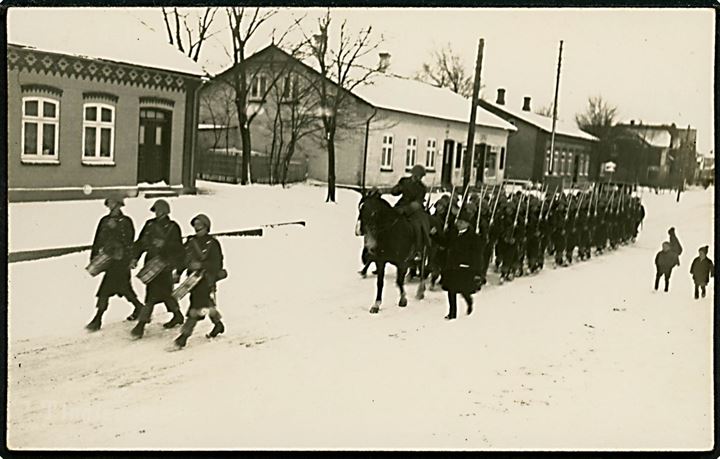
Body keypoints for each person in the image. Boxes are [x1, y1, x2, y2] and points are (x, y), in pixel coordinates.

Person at [85, 198, 145, 331]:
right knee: (122, 289)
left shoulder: (126, 221)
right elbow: (98, 239)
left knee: (108, 289)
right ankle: (139, 307)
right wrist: (94, 256)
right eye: (109, 204)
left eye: (114, 204)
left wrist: (130, 258)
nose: (111, 207)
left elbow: (129, 241)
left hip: (121, 261)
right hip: (109, 260)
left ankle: (98, 319)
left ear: (119, 205)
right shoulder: (104, 221)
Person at [130, 199, 185, 338]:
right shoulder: (149, 225)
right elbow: (141, 242)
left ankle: (141, 324)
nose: (157, 213)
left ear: (166, 212)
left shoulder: (173, 227)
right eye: (156, 211)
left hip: (165, 265)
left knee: (154, 295)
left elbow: (178, 248)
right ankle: (177, 315)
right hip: (151, 264)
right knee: (163, 294)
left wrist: (164, 244)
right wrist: (135, 257)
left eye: (160, 211)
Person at [174, 214, 226, 348]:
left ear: (206, 227)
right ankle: (218, 324)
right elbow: (182, 258)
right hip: (193, 280)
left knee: (196, 307)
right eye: (195, 225)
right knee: (206, 304)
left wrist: (202, 265)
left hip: (206, 279)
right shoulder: (191, 242)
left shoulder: (213, 244)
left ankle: (184, 336)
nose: (197, 228)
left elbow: (217, 264)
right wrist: (179, 272)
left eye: (199, 225)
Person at [438, 208, 483, 320]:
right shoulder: (452, 233)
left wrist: (477, 271)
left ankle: (469, 301)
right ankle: (452, 313)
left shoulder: (473, 237)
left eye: (462, 222)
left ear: (467, 224)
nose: (459, 224)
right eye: (458, 221)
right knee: (451, 290)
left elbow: (477, 255)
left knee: (463, 289)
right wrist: (434, 235)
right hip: (451, 265)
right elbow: (445, 243)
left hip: (465, 266)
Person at [390, 164, 430, 257]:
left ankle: (418, 249)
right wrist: (397, 189)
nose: (418, 178)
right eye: (417, 175)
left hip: (414, 210)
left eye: (420, 176)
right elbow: (394, 192)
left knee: (417, 226)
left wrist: (405, 210)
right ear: (412, 174)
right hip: (401, 204)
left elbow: (417, 203)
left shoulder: (422, 188)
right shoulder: (404, 181)